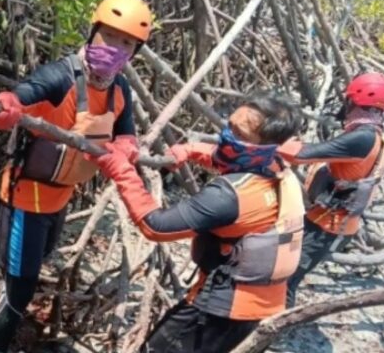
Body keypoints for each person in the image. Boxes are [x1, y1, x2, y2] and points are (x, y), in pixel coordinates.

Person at [0, 0, 154, 352]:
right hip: (25, 200)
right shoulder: (59, 76)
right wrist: (7, 106)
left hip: (61, 196)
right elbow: (22, 95)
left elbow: (126, 133)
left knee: (36, 266)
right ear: (93, 32)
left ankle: (1, 309)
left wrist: (125, 149)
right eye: (109, 36)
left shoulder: (119, 89)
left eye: (126, 43)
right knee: (21, 288)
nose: (115, 47)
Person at [90, 92, 304, 352]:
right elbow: (228, 157)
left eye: (240, 135)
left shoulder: (228, 196)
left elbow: (155, 226)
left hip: (222, 310)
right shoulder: (277, 167)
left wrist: (120, 169)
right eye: (229, 126)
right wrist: (189, 150)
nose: (227, 136)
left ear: (262, 148)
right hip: (262, 305)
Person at [277, 72, 384, 307]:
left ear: (354, 101)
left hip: (329, 225)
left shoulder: (362, 137)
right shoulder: (373, 132)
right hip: (324, 219)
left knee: (287, 279)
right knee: (282, 269)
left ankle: (272, 332)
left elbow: (302, 155)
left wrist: (265, 143)